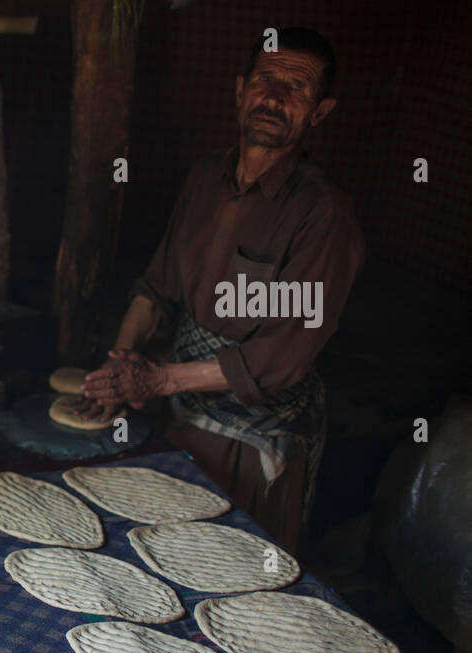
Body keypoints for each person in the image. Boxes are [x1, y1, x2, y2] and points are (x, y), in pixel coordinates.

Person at [77, 27, 365, 555]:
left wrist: (158, 378)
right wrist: (121, 367)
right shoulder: (206, 176)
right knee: (158, 558)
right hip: (179, 419)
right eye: (265, 80)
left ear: (320, 112)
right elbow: (156, 287)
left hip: (250, 444)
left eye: (296, 89)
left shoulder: (325, 214)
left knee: (232, 579)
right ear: (239, 90)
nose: (274, 98)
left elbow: (280, 357)